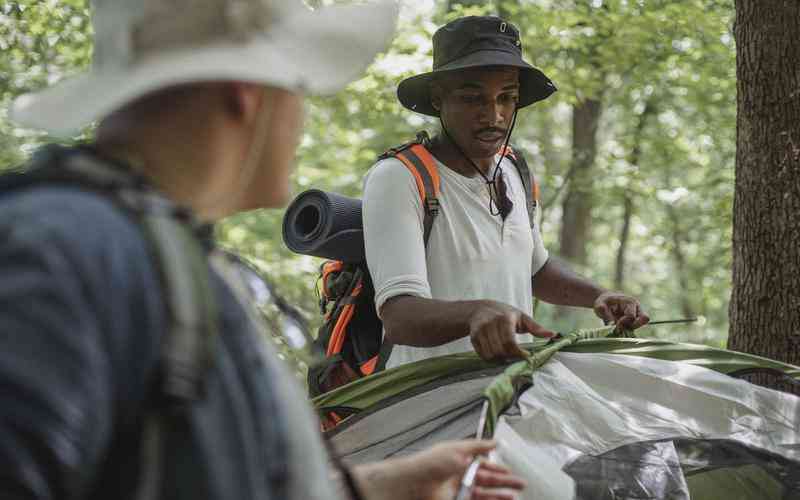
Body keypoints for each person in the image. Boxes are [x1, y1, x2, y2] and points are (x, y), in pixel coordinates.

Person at [1, 1, 525, 499]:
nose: (299, 119)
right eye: (298, 89)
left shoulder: (154, 256)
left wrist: (371, 489)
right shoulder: (70, 253)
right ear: (247, 94)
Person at [363, 16, 649, 369]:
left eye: (507, 98)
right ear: (438, 98)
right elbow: (400, 316)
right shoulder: (400, 178)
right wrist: (476, 313)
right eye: (473, 98)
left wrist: (599, 296)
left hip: (513, 388)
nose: (493, 115)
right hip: (427, 401)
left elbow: (535, 270)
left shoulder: (516, 170)